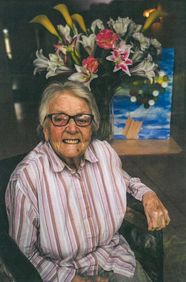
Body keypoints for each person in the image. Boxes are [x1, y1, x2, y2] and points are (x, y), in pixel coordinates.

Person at [5, 81, 170, 282]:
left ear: (92, 127)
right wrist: (74, 279)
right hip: (62, 272)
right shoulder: (27, 179)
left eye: (82, 119)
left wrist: (148, 194)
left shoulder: (104, 153)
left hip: (114, 258)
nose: (72, 128)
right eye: (59, 119)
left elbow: (126, 181)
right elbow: (23, 254)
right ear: (45, 129)